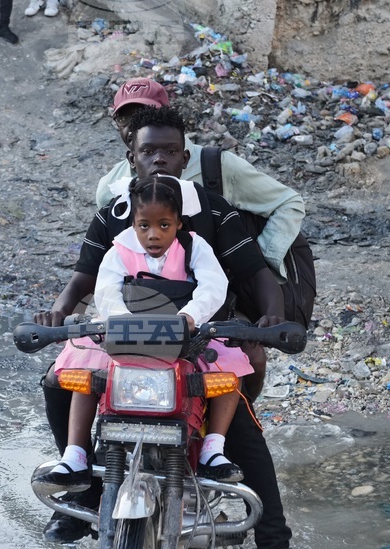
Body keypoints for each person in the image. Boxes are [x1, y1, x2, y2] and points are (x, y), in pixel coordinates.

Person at [35, 106, 324, 549]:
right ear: (132, 157)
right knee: (60, 380)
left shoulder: (212, 211)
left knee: (247, 441)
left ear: (184, 156)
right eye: (149, 151)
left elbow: (254, 272)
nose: (160, 160)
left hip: (198, 344)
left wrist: (271, 324)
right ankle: (82, 485)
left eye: (169, 151)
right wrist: (58, 312)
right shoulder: (116, 216)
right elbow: (88, 278)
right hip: (125, 342)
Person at [33, 175, 249, 494]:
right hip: (126, 337)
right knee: (86, 368)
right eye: (144, 225)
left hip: (184, 337)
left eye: (164, 225)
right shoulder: (120, 249)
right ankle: (75, 455)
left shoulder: (196, 248)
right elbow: (105, 289)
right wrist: (120, 319)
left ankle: (212, 450)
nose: (153, 234)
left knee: (232, 365)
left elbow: (214, 286)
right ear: (133, 223)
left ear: (179, 223)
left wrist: (190, 315)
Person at [97, 77, 309, 400]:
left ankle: (230, 437)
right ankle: (75, 450)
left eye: (147, 113)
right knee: (74, 377)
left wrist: (263, 274)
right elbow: (100, 266)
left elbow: (286, 207)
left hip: (212, 306)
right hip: (133, 312)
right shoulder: (111, 193)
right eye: (127, 117)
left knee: (246, 363)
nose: (135, 123)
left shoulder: (215, 170)